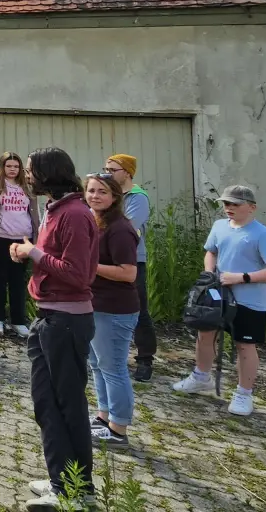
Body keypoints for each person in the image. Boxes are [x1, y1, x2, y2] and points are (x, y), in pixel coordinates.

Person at [10, 148, 98, 510]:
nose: (27, 177)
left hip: (66, 321)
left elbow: (78, 274)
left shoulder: (75, 215)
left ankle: (78, 490)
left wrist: (33, 254)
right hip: (48, 318)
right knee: (46, 403)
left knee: (68, 405)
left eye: (30, 171)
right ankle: (61, 479)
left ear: (47, 173)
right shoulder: (57, 210)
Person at [172, 186, 266, 417]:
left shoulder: (262, 234)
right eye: (226, 204)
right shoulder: (219, 227)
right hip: (218, 296)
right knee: (204, 334)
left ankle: (244, 394)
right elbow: (211, 251)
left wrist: (243, 278)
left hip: (249, 301)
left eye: (235, 204)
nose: (229, 208)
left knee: (244, 345)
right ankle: (200, 377)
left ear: (251, 207)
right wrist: (209, 274)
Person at [83, 173, 138, 449]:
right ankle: (104, 417)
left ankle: (119, 428)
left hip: (115, 309)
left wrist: (88, 266)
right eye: (91, 190)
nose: (95, 196)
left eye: (102, 192)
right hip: (95, 305)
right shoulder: (94, 222)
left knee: (113, 367)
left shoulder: (120, 228)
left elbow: (128, 273)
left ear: (114, 196)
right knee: (97, 364)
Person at [105, 154, 155, 381]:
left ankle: (145, 359)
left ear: (127, 172)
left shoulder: (138, 197)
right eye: (105, 169)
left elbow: (128, 227)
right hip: (106, 257)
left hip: (132, 259)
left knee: (137, 309)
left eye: (113, 169)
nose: (108, 173)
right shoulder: (109, 193)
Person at [0, 151, 37, 339]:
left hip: (23, 240)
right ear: (2, 166)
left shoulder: (27, 186)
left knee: (18, 281)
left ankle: (18, 321)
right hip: (0, 239)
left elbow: (33, 212)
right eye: (8, 166)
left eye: (16, 166)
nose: (12, 170)